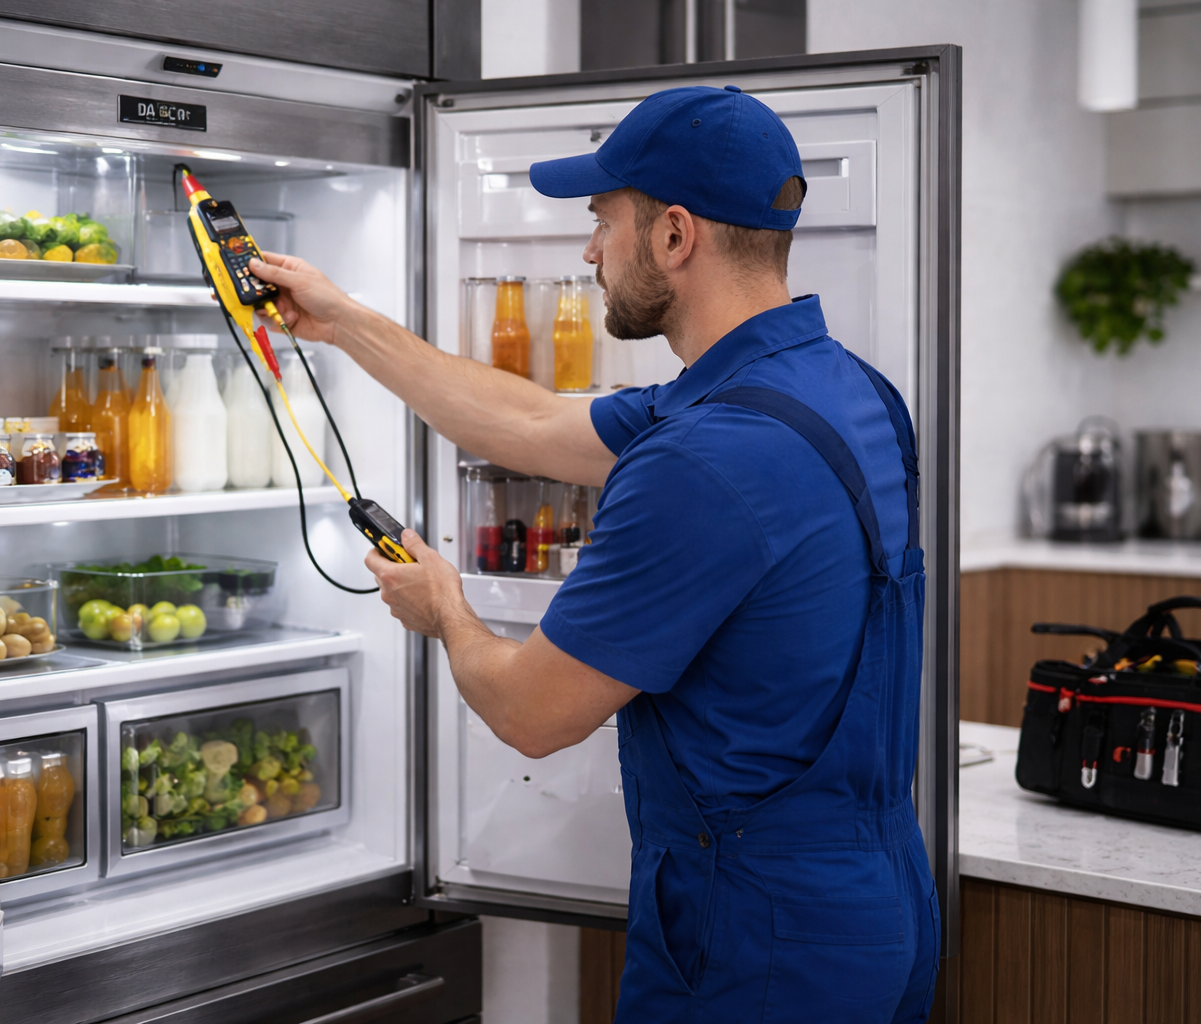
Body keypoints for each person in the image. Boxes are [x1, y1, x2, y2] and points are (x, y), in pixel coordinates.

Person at [250, 85, 939, 1023]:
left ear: (674, 237)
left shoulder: (700, 458)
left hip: (754, 937)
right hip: (882, 901)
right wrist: (343, 322)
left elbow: (532, 713)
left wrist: (445, 608)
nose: (588, 250)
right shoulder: (847, 393)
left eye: (602, 220)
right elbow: (532, 421)